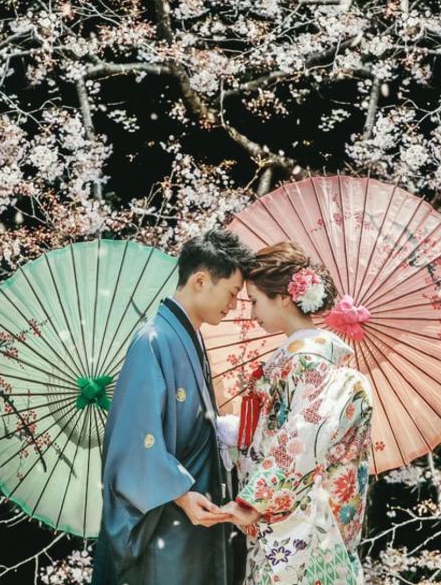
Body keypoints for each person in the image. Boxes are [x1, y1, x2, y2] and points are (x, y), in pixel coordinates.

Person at [90, 228, 256, 585]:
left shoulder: (188, 336)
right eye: (231, 293)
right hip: (167, 520)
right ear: (200, 281)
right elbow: (135, 441)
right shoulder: (152, 340)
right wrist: (179, 494)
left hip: (195, 514)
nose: (233, 304)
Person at [220, 241, 375, 585]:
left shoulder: (309, 360)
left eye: (255, 301)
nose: (252, 313)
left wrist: (252, 503)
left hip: (301, 521)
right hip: (291, 517)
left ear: (283, 298)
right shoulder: (301, 358)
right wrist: (233, 433)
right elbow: (281, 432)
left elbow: (302, 439)